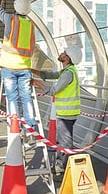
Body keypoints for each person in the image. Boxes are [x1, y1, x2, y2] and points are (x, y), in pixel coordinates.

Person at [31, 45, 82, 179]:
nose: (61, 53)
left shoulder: (68, 74)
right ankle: (63, 166)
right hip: (67, 112)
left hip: (66, 113)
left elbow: (54, 90)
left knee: (65, 142)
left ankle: (63, 169)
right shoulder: (67, 71)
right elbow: (49, 75)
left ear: (67, 57)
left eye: (64, 52)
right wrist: (31, 70)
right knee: (65, 139)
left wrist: (37, 84)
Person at [0, 0, 36, 131]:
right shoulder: (31, 25)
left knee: (12, 97)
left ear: (16, 8)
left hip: (8, 66)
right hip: (24, 68)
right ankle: (30, 126)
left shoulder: (11, 20)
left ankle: (14, 125)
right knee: (26, 97)